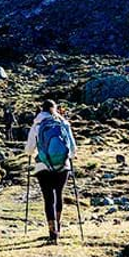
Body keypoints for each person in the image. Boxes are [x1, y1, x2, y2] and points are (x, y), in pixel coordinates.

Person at [24, 100, 77, 244]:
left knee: (48, 198)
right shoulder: (64, 124)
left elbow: (28, 150)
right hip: (62, 166)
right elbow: (73, 150)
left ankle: (52, 232)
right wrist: (66, 157)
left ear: (41, 110)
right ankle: (58, 226)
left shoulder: (37, 125)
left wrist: (37, 153)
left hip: (43, 167)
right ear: (55, 109)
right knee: (58, 194)